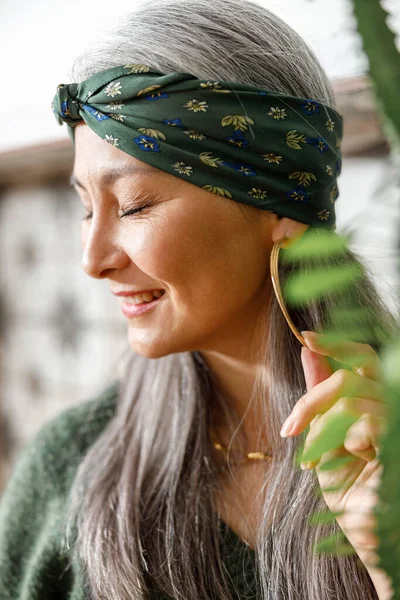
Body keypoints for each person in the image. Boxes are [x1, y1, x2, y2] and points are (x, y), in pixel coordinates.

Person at [0, 0, 396, 598]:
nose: (92, 258)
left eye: (132, 205)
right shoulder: (67, 473)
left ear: (279, 207)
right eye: (86, 207)